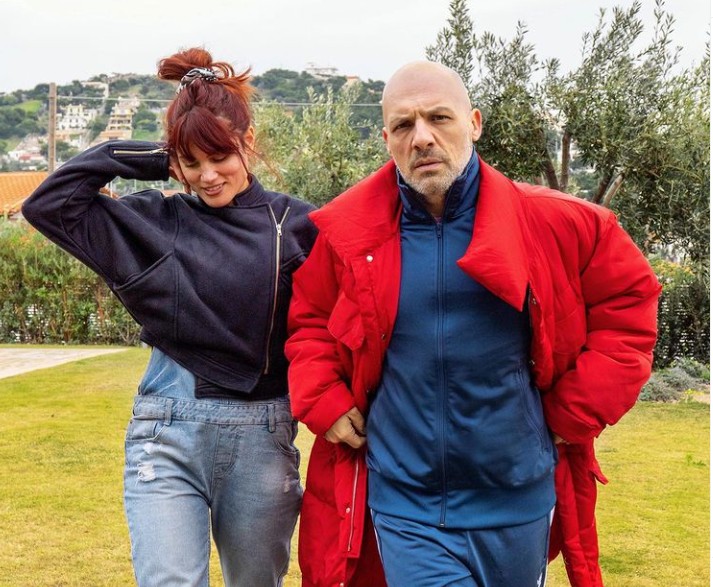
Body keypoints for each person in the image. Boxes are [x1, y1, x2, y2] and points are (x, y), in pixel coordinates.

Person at [285, 61, 660, 587]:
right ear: (386, 139)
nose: (422, 137)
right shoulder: (348, 234)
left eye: (439, 118)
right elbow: (309, 322)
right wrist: (323, 396)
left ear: (474, 123)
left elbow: (629, 309)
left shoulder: (564, 224)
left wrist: (573, 413)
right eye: (403, 125)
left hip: (519, 499)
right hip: (404, 503)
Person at [22, 47, 317, 587]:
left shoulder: (297, 226)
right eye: (191, 162)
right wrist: (145, 157)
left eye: (220, 156)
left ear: (248, 142)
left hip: (263, 437)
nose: (207, 176)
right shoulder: (154, 220)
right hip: (165, 434)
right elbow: (48, 205)